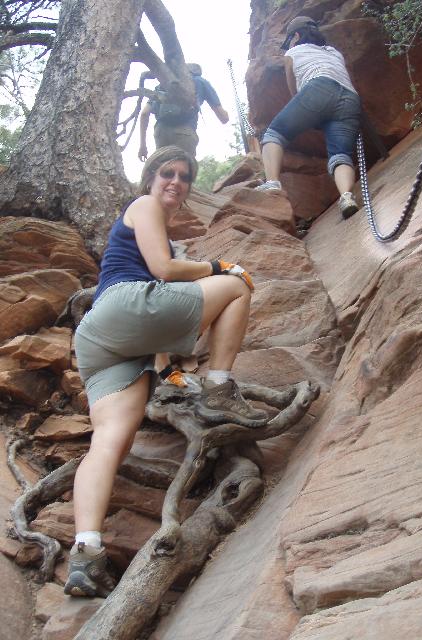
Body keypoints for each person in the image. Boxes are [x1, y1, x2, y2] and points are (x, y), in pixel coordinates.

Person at [65, 146, 268, 597]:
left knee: (110, 441)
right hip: (124, 306)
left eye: (185, 175)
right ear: (150, 178)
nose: (176, 181)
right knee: (236, 285)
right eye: (167, 172)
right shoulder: (145, 205)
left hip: (101, 338)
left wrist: (166, 371)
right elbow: (162, 270)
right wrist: (219, 266)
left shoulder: (148, 221)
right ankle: (219, 390)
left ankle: (86, 554)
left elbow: (153, 310)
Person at [255, 16, 362, 220]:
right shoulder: (333, 52)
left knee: (274, 134)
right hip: (349, 99)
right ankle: (347, 197)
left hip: (317, 89)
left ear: (295, 36)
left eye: (289, 40)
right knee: (340, 154)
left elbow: (294, 90)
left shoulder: (293, 53)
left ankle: (273, 184)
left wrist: (309, 114)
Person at [138, 63, 229, 160]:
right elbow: (223, 118)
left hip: (161, 132)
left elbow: (144, 113)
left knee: (164, 166)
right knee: (184, 167)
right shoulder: (200, 81)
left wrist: (143, 145)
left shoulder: (164, 84)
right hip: (185, 132)